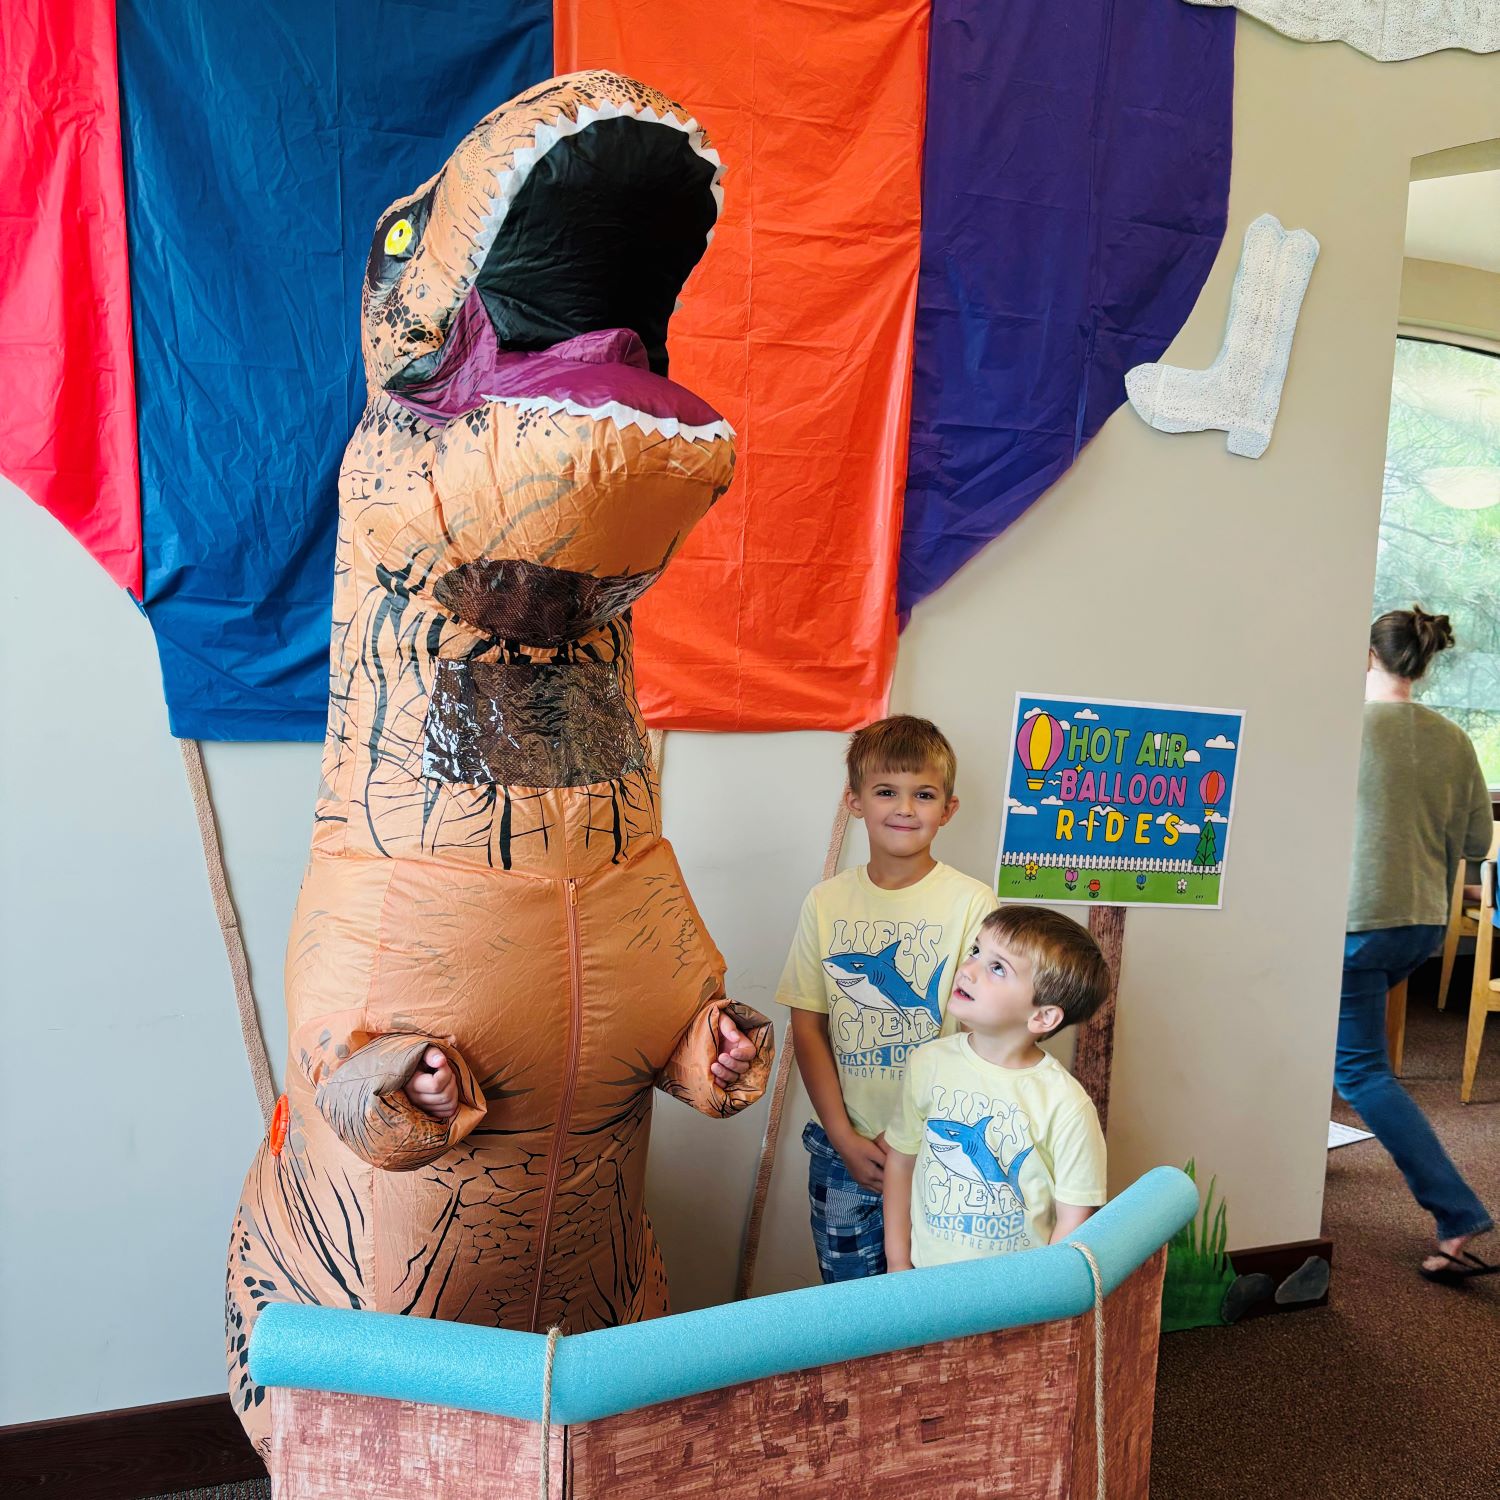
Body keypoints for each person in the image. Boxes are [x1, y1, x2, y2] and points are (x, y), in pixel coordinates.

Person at [777, 716, 998, 1280]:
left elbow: (986, 1036)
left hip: (937, 1148)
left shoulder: (973, 903)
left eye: (923, 794)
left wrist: (911, 1131)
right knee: (852, 1311)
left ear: (947, 808)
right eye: (886, 792)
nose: (905, 808)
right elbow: (808, 1027)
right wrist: (844, 1137)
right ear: (854, 802)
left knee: (935, 1308)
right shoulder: (825, 902)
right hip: (842, 1153)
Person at [1342, 605, 1495, 1284]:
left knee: (1363, 1074)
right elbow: (1474, 846)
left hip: (1357, 924)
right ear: (1423, 662)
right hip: (1421, 926)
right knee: (1338, 1051)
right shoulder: (1454, 739)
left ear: (1368, 656)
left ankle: (1457, 1211)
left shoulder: (1343, 729)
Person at [883, 906, 1109, 1269]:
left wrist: (1041, 1295)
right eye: (976, 951)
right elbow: (901, 1162)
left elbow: (1074, 1217)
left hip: (1016, 1301)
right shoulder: (928, 1063)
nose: (968, 969)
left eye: (997, 967)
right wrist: (896, 1262)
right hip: (923, 1284)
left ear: (1043, 1016)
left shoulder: (1066, 1103)